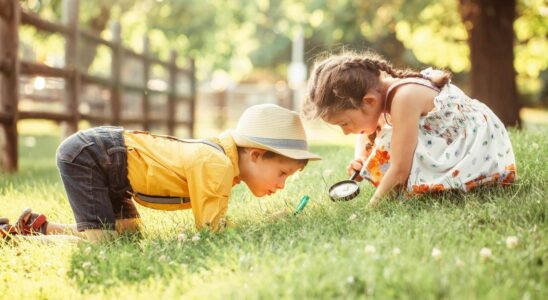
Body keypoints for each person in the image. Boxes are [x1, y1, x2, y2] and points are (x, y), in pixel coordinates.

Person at [1, 104, 320, 242]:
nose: (281, 184)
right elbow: (211, 230)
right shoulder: (217, 165)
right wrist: (265, 226)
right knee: (100, 243)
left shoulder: (224, 163)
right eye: (282, 173)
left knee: (126, 235)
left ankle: (40, 229)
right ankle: (14, 239)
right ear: (256, 154)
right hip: (96, 155)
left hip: (113, 163)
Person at [303, 51, 516, 208]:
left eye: (344, 123)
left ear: (368, 102)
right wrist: (361, 157)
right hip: (458, 140)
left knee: (390, 144)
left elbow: (399, 169)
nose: (346, 132)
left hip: (479, 149)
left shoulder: (404, 98)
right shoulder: (382, 94)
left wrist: (371, 208)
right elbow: (367, 131)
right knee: (387, 140)